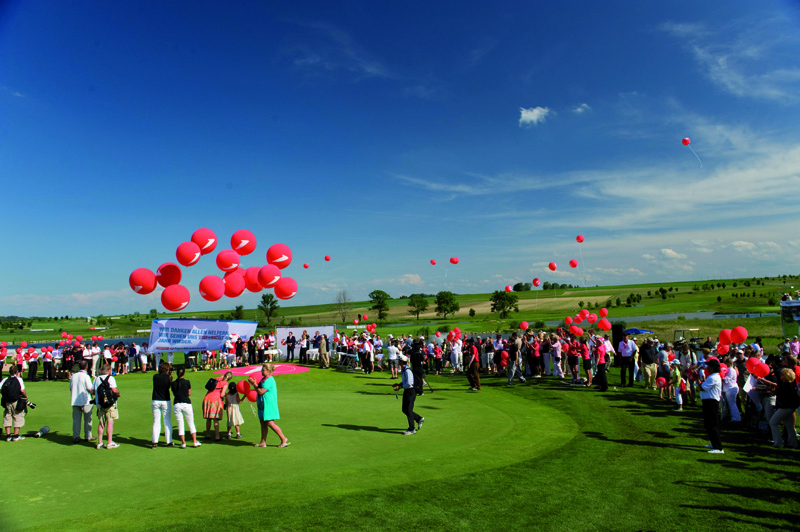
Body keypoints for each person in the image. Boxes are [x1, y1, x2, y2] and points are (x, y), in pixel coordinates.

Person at [249, 364, 290, 448]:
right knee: (263, 422)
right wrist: (254, 383)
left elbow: (260, 391)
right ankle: (263, 442)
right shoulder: (264, 379)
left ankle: (283, 439)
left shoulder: (269, 380)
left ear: (268, 371)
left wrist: (254, 384)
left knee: (270, 422)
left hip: (268, 404)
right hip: (262, 404)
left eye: (263, 370)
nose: (261, 371)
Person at [767, 368, 800, 448]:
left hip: (785, 407)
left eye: (782, 375)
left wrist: (761, 379)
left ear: (786, 375)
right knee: (789, 426)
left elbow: (776, 387)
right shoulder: (791, 383)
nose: (780, 377)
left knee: (773, 422)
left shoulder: (786, 384)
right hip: (790, 407)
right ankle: (793, 443)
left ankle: (778, 442)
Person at [393, 355, 423, 435]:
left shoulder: (407, 371)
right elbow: (405, 382)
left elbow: (410, 383)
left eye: (399, 360)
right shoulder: (403, 370)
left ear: (402, 362)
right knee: (404, 410)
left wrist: (400, 387)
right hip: (407, 391)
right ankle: (418, 418)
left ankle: (412, 429)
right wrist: (399, 384)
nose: (398, 362)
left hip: (411, 392)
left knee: (409, 410)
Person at [171, 368, 200, 448]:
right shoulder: (187, 382)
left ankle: (183, 442)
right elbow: (189, 393)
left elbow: (174, 393)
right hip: (186, 403)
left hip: (177, 404)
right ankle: (194, 441)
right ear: (183, 374)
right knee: (191, 423)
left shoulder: (173, 383)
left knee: (180, 424)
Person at [94, 364, 120, 449]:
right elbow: (114, 389)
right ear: (109, 370)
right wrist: (118, 394)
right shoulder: (111, 378)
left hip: (100, 404)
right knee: (110, 422)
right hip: (110, 403)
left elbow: (92, 391)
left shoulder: (96, 379)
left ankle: (100, 442)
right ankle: (109, 442)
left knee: (101, 423)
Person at [700, 358, 724, 454]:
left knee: (712, 425)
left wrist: (698, 379)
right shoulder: (712, 376)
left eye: (709, 366)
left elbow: (702, 387)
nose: (707, 368)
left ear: (713, 367)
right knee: (708, 424)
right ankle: (714, 443)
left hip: (711, 402)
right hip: (708, 401)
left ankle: (718, 447)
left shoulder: (714, 377)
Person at [69, 360, 94, 443]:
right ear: (86, 367)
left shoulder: (73, 376)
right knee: (88, 419)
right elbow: (90, 389)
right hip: (86, 400)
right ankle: (88, 436)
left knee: (76, 420)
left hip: (75, 400)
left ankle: (76, 436)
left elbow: (70, 388)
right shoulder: (86, 376)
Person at [1, 366, 28, 442]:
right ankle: (15, 436)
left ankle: (8, 436)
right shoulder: (19, 379)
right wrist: (26, 396)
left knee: (7, 416)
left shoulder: (5, 380)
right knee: (17, 416)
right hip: (16, 400)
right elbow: (22, 390)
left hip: (7, 401)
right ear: (17, 372)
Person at [203, 371, 231, 441]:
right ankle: (217, 436)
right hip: (215, 400)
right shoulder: (225, 383)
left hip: (207, 398)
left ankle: (208, 434)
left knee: (208, 418)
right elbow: (222, 394)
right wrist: (227, 394)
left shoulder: (217, 379)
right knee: (215, 419)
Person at [151, 362, 173, 449]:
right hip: (165, 400)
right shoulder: (168, 378)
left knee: (156, 421)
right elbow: (169, 387)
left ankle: (154, 442)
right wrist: (170, 376)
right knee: (167, 421)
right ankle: (169, 441)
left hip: (156, 400)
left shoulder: (155, 376)